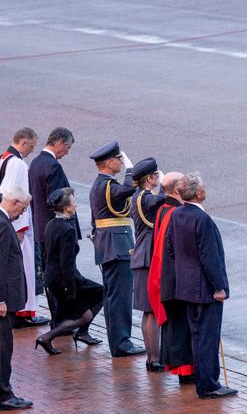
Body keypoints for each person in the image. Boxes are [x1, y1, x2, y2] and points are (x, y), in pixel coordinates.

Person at [164, 172, 236, 399]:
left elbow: (170, 248)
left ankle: (205, 379)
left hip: (186, 287)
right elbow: (210, 257)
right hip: (205, 289)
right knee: (208, 337)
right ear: (199, 193)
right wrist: (219, 287)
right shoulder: (202, 219)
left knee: (197, 336)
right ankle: (208, 383)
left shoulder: (176, 215)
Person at [88, 140, 144, 357]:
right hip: (117, 246)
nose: (121, 163)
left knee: (115, 296)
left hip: (109, 245)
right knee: (120, 297)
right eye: (118, 160)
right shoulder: (107, 186)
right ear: (109, 162)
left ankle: (119, 340)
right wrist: (131, 170)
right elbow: (128, 189)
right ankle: (121, 343)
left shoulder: (102, 185)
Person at [34, 188, 105, 355]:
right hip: (65, 279)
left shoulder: (51, 224)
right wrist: (70, 289)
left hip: (53, 277)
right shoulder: (67, 230)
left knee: (95, 296)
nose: (76, 205)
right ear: (67, 208)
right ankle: (48, 337)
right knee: (83, 315)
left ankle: (82, 332)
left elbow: (47, 254)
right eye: (74, 202)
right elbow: (66, 263)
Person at [27, 127, 79, 326]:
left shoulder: (36, 163)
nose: (67, 151)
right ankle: (63, 322)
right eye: (67, 147)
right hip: (57, 232)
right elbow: (58, 202)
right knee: (63, 276)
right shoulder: (53, 166)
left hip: (42, 230)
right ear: (58, 142)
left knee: (51, 276)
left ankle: (58, 319)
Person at [0, 128, 48, 328]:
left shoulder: (4, 158)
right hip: (17, 227)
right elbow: (13, 194)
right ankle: (24, 311)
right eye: (31, 145)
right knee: (22, 267)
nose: (31, 150)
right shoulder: (18, 163)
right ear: (21, 142)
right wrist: (19, 227)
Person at [150, 172, 195, 384]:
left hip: (166, 279)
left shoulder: (163, 210)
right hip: (177, 281)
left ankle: (183, 371)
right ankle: (186, 372)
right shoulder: (175, 214)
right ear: (177, 190)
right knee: (182, 328)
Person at [128, 158, 166, 372]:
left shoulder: (139, 196)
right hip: (146, 257)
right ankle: (154, 358)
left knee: (149, 311)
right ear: (150, 178)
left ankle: (154, 357)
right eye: (155, 176)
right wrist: (165, 188)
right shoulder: (144, 197)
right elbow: (156, 203)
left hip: (144, 256)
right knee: (150, 310)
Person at [0, 186, 32, 410]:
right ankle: (4, 394)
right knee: (3, 347)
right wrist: (0, 299)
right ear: (14, 202)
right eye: (23, 208)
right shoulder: (2, 225)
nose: (22, 213)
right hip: (4, 300)